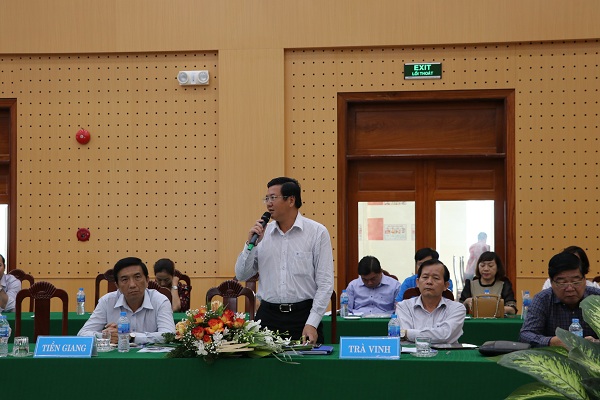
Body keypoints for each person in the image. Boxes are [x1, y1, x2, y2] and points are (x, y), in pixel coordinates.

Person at [235, 177, 334, 345]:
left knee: (308, 362)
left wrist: (312, 323)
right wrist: (250, 245)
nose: (268, 203)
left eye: (273, 197)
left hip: (303, 317)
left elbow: (325, 283)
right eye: (267, 198)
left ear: (291, 200)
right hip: (268, 316)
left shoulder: (317, 232)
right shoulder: (263, 234)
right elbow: (241, 274)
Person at [78, 257, 175, 345]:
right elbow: (82, 334)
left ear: (147, 281)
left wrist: (131, 337)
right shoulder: (107, 301)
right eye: (125, 279)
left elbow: (169, 335)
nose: (132, 285)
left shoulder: (160, 301)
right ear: (117, 285)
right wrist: (106, 336)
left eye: (137, 277)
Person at [520, 251, 600, 347]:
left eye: (575, 282)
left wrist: (596, 343)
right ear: (551, 282)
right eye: (562, 283)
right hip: (554, 355)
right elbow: (526, 335)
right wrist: (550, 342)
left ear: (584, 280)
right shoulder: (543, 300)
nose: (570, 288)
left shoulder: (597, 298)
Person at [395, 259, 466, 343]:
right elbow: (405, 341)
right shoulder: (403, 307)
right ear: (417, 282)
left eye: (436, 278)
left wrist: (407, 334)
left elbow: (445, 335)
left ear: (446, 285)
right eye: (425, 277)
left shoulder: (457, 308)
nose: (429, 282)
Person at [459, 251, 517, 315]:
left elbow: (512, 309)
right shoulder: (470, 284)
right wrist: (466, 302)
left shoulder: (504, 284)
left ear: (498, 267)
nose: (486, 269)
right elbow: (458, 309)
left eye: (490, 266)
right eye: (482, 265)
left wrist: (495, 309)